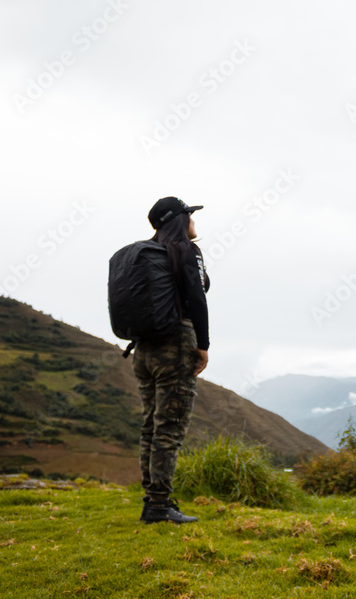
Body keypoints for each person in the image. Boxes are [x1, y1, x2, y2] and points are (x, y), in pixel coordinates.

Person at [134, 197, 210, 524]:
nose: (194, 221)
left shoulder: (145, 255)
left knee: (151, 425)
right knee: (170, 427)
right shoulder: (184, 251)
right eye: (190, 215)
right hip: (176, 344)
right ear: (180, 219)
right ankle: (160, 506)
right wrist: (203, 345)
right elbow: (197, 297)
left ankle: (152, 500)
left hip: (143, 349)